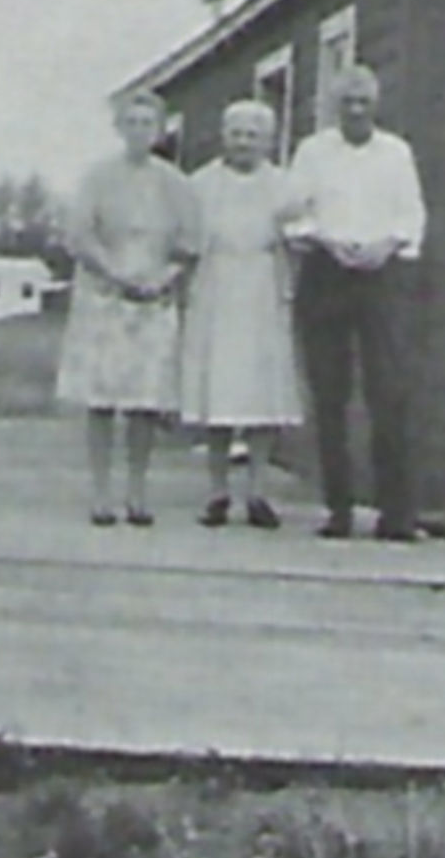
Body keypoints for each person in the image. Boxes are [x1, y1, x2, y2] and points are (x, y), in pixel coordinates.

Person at [285, 64, 427, 541]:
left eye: (363, 102)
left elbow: (412, 217)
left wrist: (386, 244)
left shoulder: (395, 154)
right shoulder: (313, 152)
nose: (355, 111)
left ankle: (396, 512)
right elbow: (291, 214)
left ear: (376, 105)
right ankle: (338, 509)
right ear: (334, 107)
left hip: (380, 277)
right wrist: (325, 239)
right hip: (326, 274)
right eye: (347, 102)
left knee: (389, 393)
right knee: (330, 395)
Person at [55, 88, 199, 526]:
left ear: (159, 130)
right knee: (102, 399)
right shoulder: (98, 177)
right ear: (119, 128)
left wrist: (162, 280)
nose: (140, 132)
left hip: (153, 297)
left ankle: (137, 491)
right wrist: (116, 274)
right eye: (131, 123)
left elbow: (190, 242)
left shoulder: (175, 182)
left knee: (144, 401)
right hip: (106, 295)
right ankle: (101, 493)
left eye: (147, 124)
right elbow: (79, 236)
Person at [179, 99, 306, 528]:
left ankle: (257, 492)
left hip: (262, 288)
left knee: (260, 395)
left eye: (253, 135)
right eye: (236, 134)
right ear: (224, 137)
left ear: (267, 141)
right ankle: (217, 492)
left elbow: (298, 238)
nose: (244, 143)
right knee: (218, 391)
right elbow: (187, 239)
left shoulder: (284, 186)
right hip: (217, 287)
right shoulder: (201, 184)